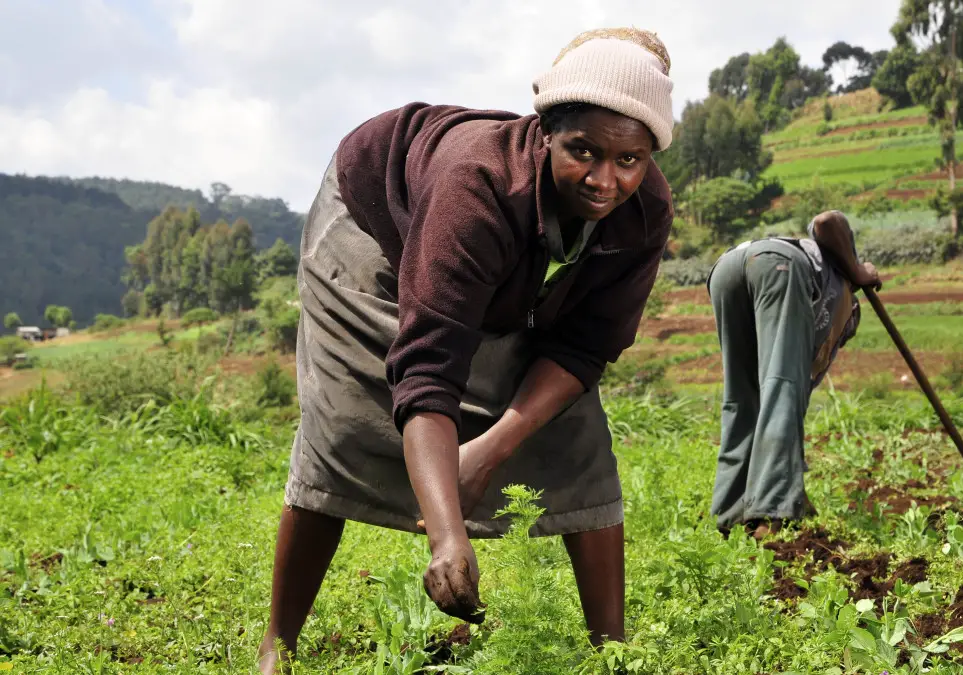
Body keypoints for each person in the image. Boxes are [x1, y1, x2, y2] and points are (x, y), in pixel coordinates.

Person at [257, 27, 675, 672]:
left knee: (577, 431)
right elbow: (428, 363)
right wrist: (448, 538)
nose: (604, 180)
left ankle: (612, 656)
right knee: (344, 429)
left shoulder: (643, 209)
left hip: (500, 271)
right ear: (544, 134)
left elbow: (587, 346)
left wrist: (487, 449)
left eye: (629, 160)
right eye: (582, 151)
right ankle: (276, 647)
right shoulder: (475, 186)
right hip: (372, 232)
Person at [705, 210, 880, 539]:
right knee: (782, 389)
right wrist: (859, 270)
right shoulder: (841, 286)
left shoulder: (817, 302)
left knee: (743, 399)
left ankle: (731, 514)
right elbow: (826, 221)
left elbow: (773, 415)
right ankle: (771, 515)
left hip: (726, 269)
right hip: (776, 265)